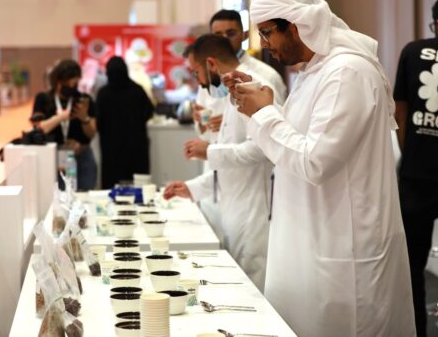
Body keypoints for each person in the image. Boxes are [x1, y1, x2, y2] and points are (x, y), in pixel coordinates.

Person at [227, 0, 415, 336]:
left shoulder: (347, 72)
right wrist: (261, 105)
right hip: (313, 241)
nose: (264, 46)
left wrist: (266, 113)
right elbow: (299, 141)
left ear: (297, 24)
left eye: (268, 33)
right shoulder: (316, 72)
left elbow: (315, 160)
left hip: (344, 250)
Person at [163, 34, 285, 290]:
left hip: (255, 211)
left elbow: (262, 149)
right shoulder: (229, 94)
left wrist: (210, 151)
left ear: (211, 64)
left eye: (197, 73)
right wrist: (193, 188)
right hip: (233, 207)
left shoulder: (255, 86)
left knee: (255, 294)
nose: (198, 82)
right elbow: (230, 163)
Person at [394, 0, 438, 337]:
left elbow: (400, 109)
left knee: (412, 264)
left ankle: (415, 329)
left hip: (417, 174)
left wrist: (411, 149)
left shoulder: (413, 52)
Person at [193, 9, 286, 138]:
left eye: (230, 33)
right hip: (214, 151)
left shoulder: (267, 75)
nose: (224, 39)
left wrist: (229, 124)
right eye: (218, 35)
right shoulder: (208, 73)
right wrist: (202, 122)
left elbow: (279, 128)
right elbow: (200, 123)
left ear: (245, 35)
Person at [32, 59, 98, 191]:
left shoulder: (84, 100)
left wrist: (84, 118)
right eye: (68, 83)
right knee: (57, 201)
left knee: (84, 198)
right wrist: (60, 117)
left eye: (75, 83)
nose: (71, 87)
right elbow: (39, 128)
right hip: (54, 158)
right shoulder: (43, 99)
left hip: (82, 157)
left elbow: (92, 133)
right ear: (58, 81)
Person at [96, 56, 154, 189]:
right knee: (138, 187)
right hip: (136, 146)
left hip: (111, 149)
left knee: (112, 186)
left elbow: (98, 121)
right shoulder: (137, 90)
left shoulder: (103, 94)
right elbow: (149, 111)